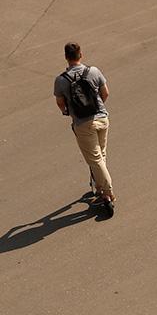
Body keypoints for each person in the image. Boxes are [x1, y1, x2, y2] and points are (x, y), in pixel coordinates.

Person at [53, 43, 115, 209]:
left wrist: (68, 112)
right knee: (101, 156)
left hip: (83, 123)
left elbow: (60, 102)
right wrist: (98, 107)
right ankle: (101, 188)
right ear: (81, 54)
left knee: (95, 159)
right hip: (102, 118)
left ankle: (107, 193)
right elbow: (105, 93)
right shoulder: (93, 71)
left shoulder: (61, 80)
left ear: (66, 57)